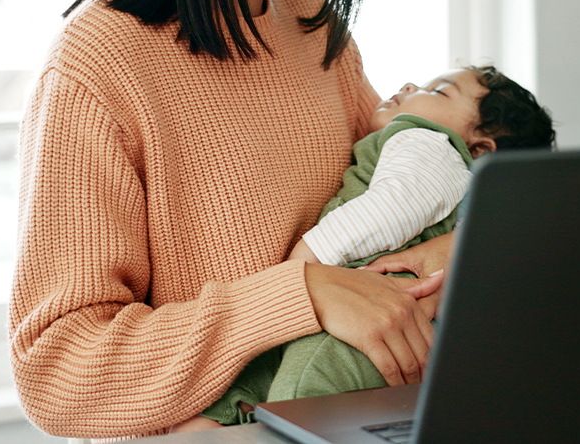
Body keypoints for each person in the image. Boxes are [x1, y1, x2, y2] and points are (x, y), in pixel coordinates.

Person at [8, 0, 449, 441]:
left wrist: (448, 255)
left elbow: (394, 209)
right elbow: (62, 372)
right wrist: (298, 294)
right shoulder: (101, 63)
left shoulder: (308, 22)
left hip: (342, 419)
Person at [170, 65, 555, 432]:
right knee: (232, 396)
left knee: (300, 402)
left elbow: (394, 206)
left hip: (361, 317)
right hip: (346, 314)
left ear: (478, 150)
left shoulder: (432, 143)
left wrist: (303, 264)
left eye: (437, 90)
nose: (408, 86)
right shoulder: (444, 164)